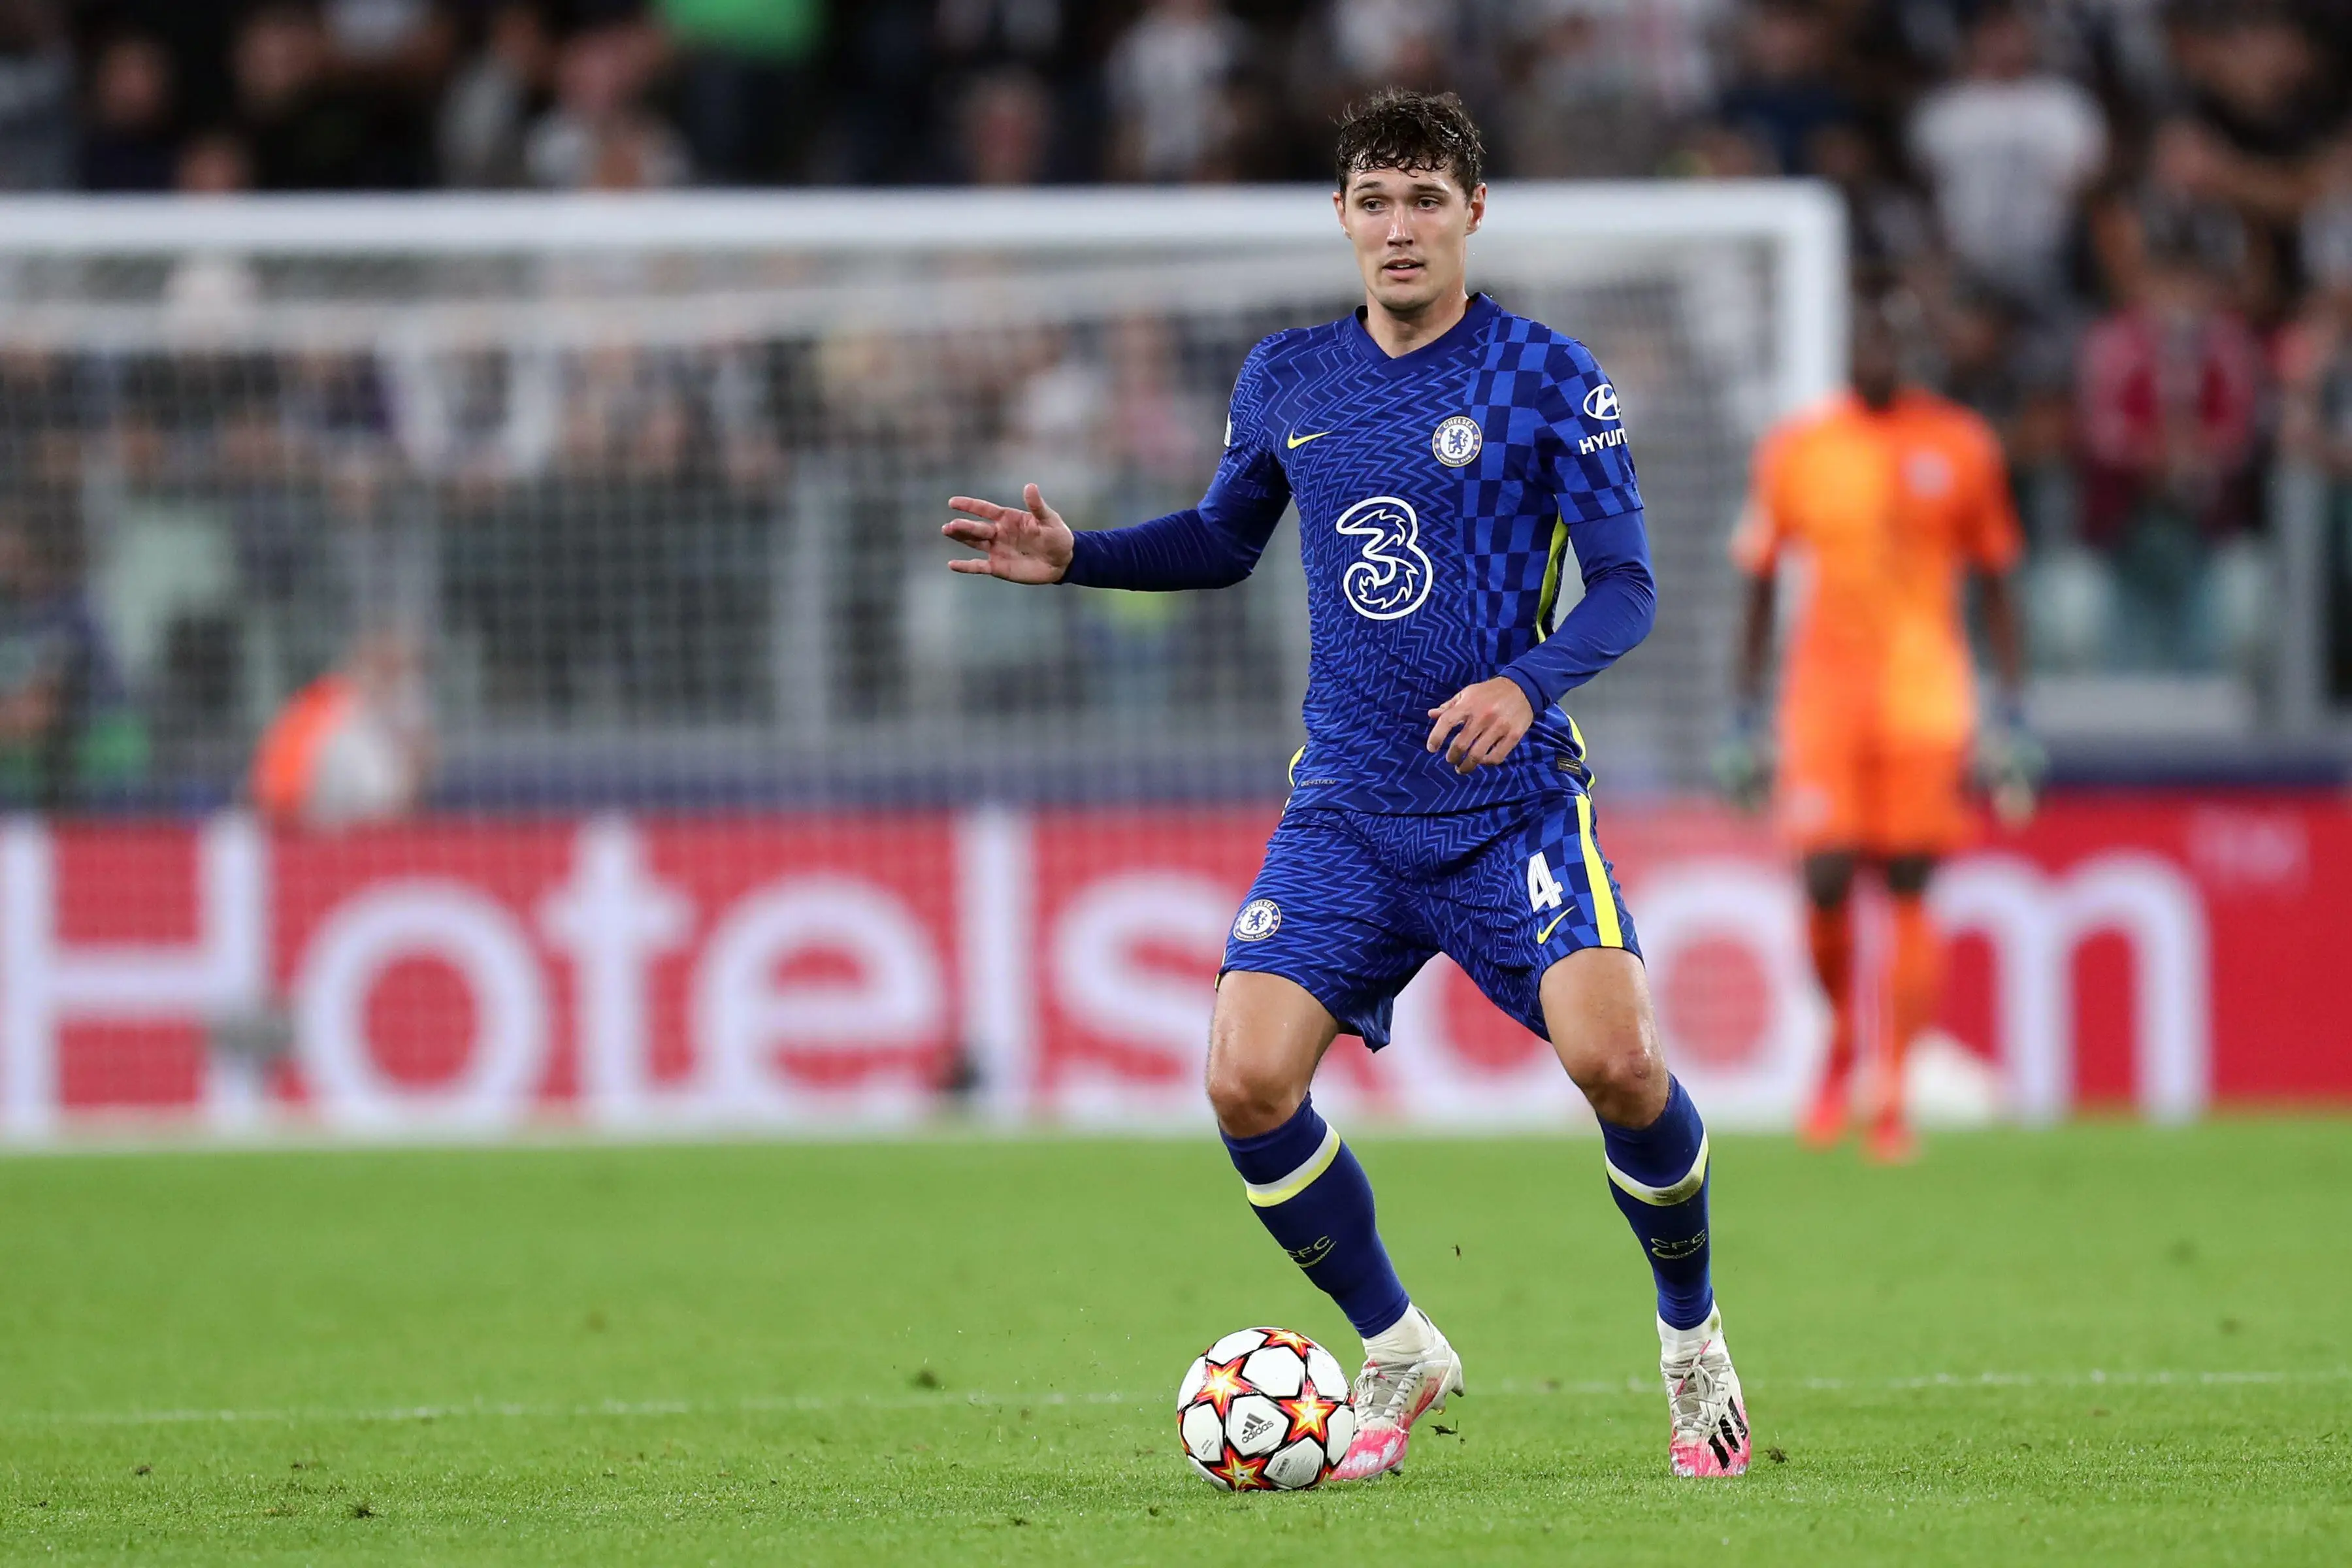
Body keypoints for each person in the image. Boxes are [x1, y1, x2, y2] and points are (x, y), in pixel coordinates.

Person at [945, 88, 1749, 1481]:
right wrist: (1081, 560)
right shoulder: (1289, 378)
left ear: (1472, 213)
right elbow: (1222, 541)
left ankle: (1694, 1345)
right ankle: (1397, 1343)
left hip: (1510, 806)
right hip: (1350, 814)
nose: (1399, 228)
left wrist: (1526, 685)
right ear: (1341, 217)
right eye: (1374, 202)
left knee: (1620, 1064)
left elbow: (1627, 587)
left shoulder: (1547, 375)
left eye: (1425, 200)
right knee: (1245, 1083)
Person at [1719, 292, 2034, 1164]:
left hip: (1926, 696)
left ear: (1915, 350)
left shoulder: (1963, 446)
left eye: (1892, 339)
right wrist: (1743, 714)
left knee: (1909, 883)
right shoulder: (1799, 449)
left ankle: (1893, 1088)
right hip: (1824, 698)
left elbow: (1998, 581)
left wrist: (2014, 708)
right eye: (1864, 339)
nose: (1877, 353)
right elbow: (1759, 583)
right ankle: (1842, 1039)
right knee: (1824, 878)